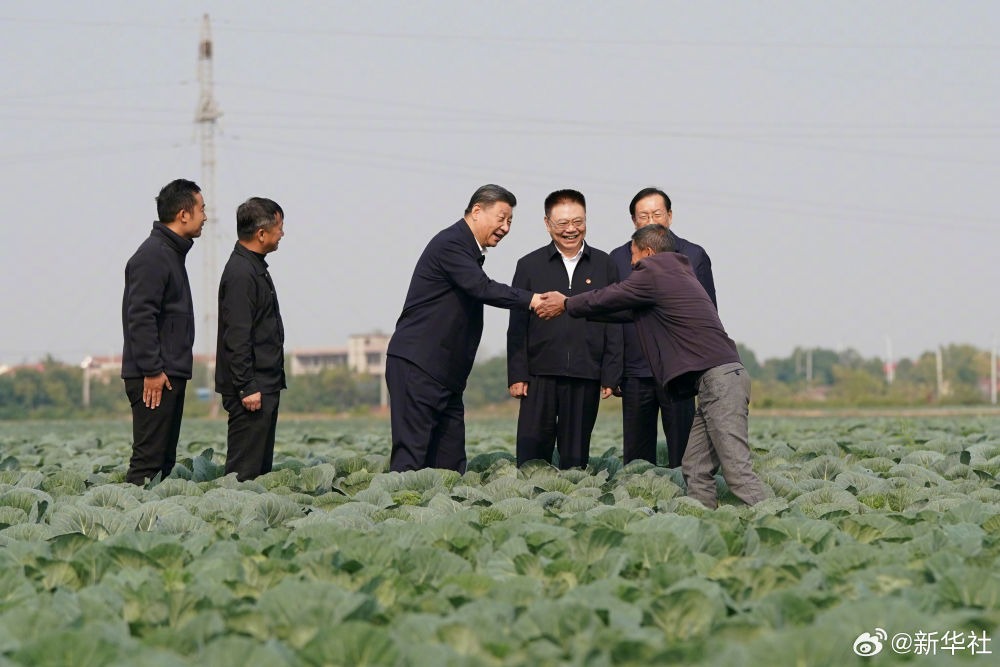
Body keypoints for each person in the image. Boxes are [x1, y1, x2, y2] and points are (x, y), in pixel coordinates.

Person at [535, 224, 766, 509]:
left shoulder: (655, 272)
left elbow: (610, 296)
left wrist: (567, 303)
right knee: (695, 467)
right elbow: (623, 311)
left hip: (720, 382)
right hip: (719, 380)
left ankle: (777, 521)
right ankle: (703, 520)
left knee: (737, 470)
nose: (631, 264)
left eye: (633, 257)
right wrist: (574, 312)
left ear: (648, 252)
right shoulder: (678, 274)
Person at [386, 184, 544, 474]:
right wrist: (532, 300)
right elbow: (482, 288)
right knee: (412, 461)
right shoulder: (451, 244)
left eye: (510, 221)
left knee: (450, 465)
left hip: (446, 376)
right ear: (477, 211)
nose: (506, 227)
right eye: (501, 218)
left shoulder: (468, 250)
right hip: (419, 366)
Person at [507, 189, 622, 468]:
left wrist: (611, 373)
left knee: (575, 456)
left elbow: (615, 322)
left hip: (585, 374)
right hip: (539, 375)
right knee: (532, 453)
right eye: (562, 223)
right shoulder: (529, 265)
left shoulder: (605, 264)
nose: (571, 229)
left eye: (578, 221)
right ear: (548, 224)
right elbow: (517, 325)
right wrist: (518, 373)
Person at [609, 187, 717, 468]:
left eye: (657, 214)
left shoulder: (693, 255)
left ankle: (687, 494)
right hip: (635, 371)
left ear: (670, 216)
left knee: (685, 453)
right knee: (636, 456)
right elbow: (610, 318)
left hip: (679, 371)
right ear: (633, 221)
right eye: (643, 216)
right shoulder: (618, 258)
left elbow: (707, 315)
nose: (651, 221)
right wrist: (613, 370)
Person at [121, 179, 205, 485]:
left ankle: (150, 516)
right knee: (148, 465)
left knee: (163, 465)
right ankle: (131, 514)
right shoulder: (153, 255)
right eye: (201, 209)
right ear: (183, 214)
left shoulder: (170, 253)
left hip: (167, 373)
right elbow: (140, 316)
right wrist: (153, 370)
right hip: (154, 377)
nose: (205, 217)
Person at [215, 197, 287, 481]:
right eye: (279, 227)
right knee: (244, 474)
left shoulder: (253, 267)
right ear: (261, 233)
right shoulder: (241, 273)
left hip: (263, 385)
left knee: (258, 472)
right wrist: (246, 386)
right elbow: (237, 336)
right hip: (251, 390)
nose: (282, 233)